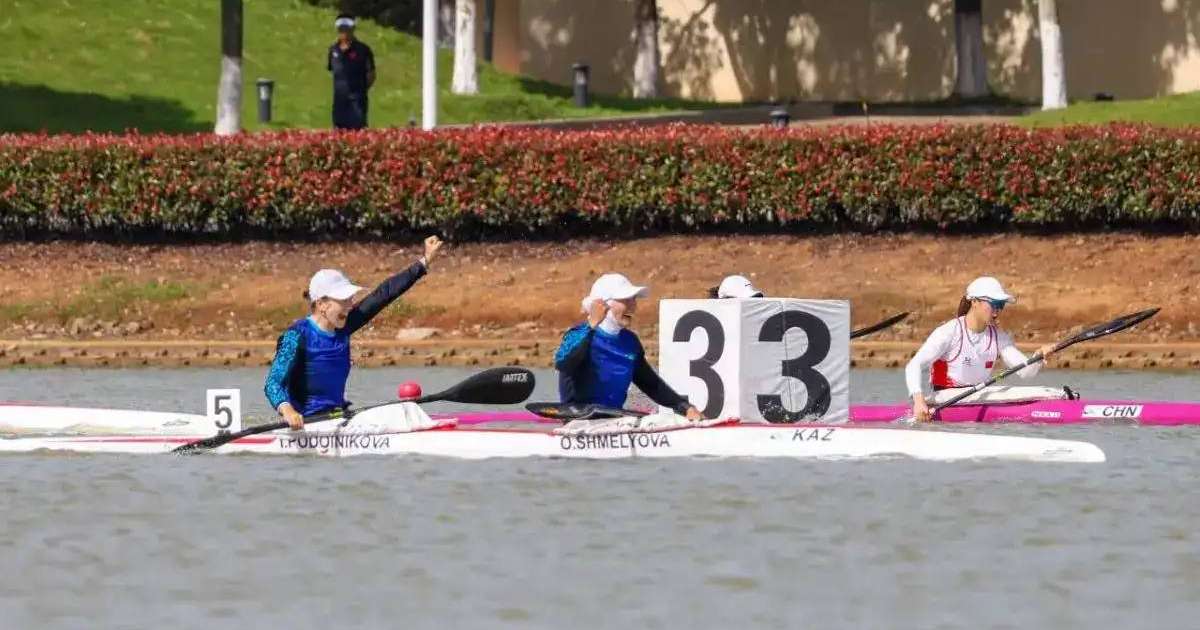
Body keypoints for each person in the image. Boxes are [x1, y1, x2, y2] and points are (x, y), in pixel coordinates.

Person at [265, 236, 443, 430]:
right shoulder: (297, 335)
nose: (350, 306)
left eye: (350, 299)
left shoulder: (345, 325)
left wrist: (425, 261)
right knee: (400, 414)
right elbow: (273, 383)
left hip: (338, 416)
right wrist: (288, 412)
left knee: (405, 410)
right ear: (321, 304)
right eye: (343, 300)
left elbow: (384, 294)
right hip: (307, 424)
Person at [905, 276, 1056, 422]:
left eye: (1001, 305)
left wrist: (1039, 356)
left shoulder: (998, 337)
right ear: (975, 301)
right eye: (994, 304)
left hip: (978, 398)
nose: (997, 311)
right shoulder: (949, 332)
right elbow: (913, 365)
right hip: (945, 401)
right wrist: (919, 401)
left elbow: (1025, 371)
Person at [555, 273, 704, 420]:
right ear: (602, 305)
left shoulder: (630, 342)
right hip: (578, 425)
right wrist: (591, 324)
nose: (633, 306)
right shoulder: (576, 335)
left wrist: (684, 407)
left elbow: (651, 384)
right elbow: (563, 362)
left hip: (614, 422)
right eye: (626, 300)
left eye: (634, 300)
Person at [328, 14, 376, 130]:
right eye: (341, 29)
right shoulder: (333, 50)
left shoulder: (363, 50)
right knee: (338, 132)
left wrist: (360, 89)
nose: (344, 32)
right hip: (339, 101)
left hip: (357, 100)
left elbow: (371, 74)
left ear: (353, 29)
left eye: (347, 29)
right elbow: (333, 70)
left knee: (357, 132)